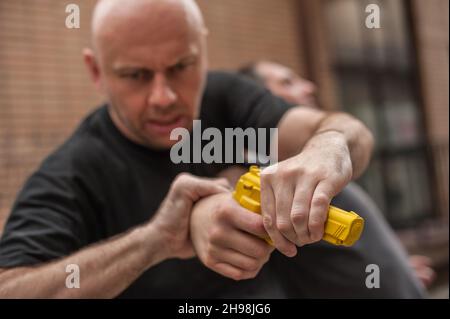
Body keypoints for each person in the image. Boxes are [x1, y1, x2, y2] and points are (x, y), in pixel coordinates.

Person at [0, 0, 425, 298]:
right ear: (96, 71)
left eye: (181, 67)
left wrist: (326, 150)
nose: (163, 96)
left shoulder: (224, 98)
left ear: (202, 52)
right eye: (136, 75)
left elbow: (346, 130)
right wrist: (155, 242)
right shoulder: (75, 171)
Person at [238, 60, 436, 289]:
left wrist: (393, 268)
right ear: (256, 101)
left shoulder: (310, 158)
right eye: (287, 82)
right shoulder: (264, 182)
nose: (309, 87)